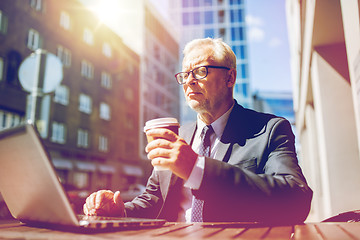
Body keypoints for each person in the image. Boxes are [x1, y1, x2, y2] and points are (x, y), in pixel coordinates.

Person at [83, 38, 313, 224]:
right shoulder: (178, 136)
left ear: (230, 77)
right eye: (184, 75)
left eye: (201, 71)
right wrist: (120, 210)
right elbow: (154, 198)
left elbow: (296, 199)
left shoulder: (269, 130)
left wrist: (197, 169)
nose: (189, 81)